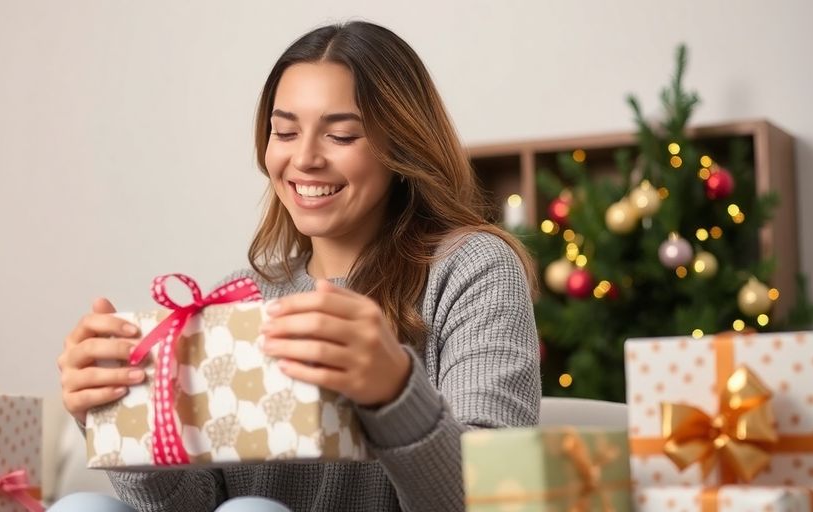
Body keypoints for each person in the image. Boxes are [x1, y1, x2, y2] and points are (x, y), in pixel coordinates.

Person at [53, 20, 540, 512]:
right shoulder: (240, 296)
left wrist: (395, 391)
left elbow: (496, 500)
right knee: (82, 507)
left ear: (402, 145)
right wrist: (116, 413)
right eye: (284, 131)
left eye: (342, 135)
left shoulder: (473, 268)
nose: (304, 158)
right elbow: (197, 506)